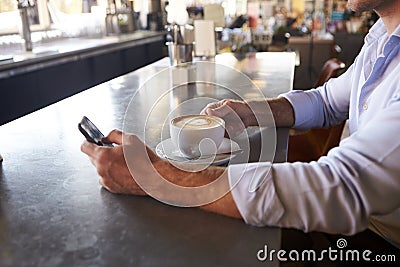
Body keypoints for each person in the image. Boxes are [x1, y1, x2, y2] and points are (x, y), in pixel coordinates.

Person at [81, 0, 400, 253]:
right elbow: (329, 101)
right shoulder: (382, 38)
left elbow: (342, 188)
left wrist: (158, 177)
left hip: (377, 243)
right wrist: (249, 112)